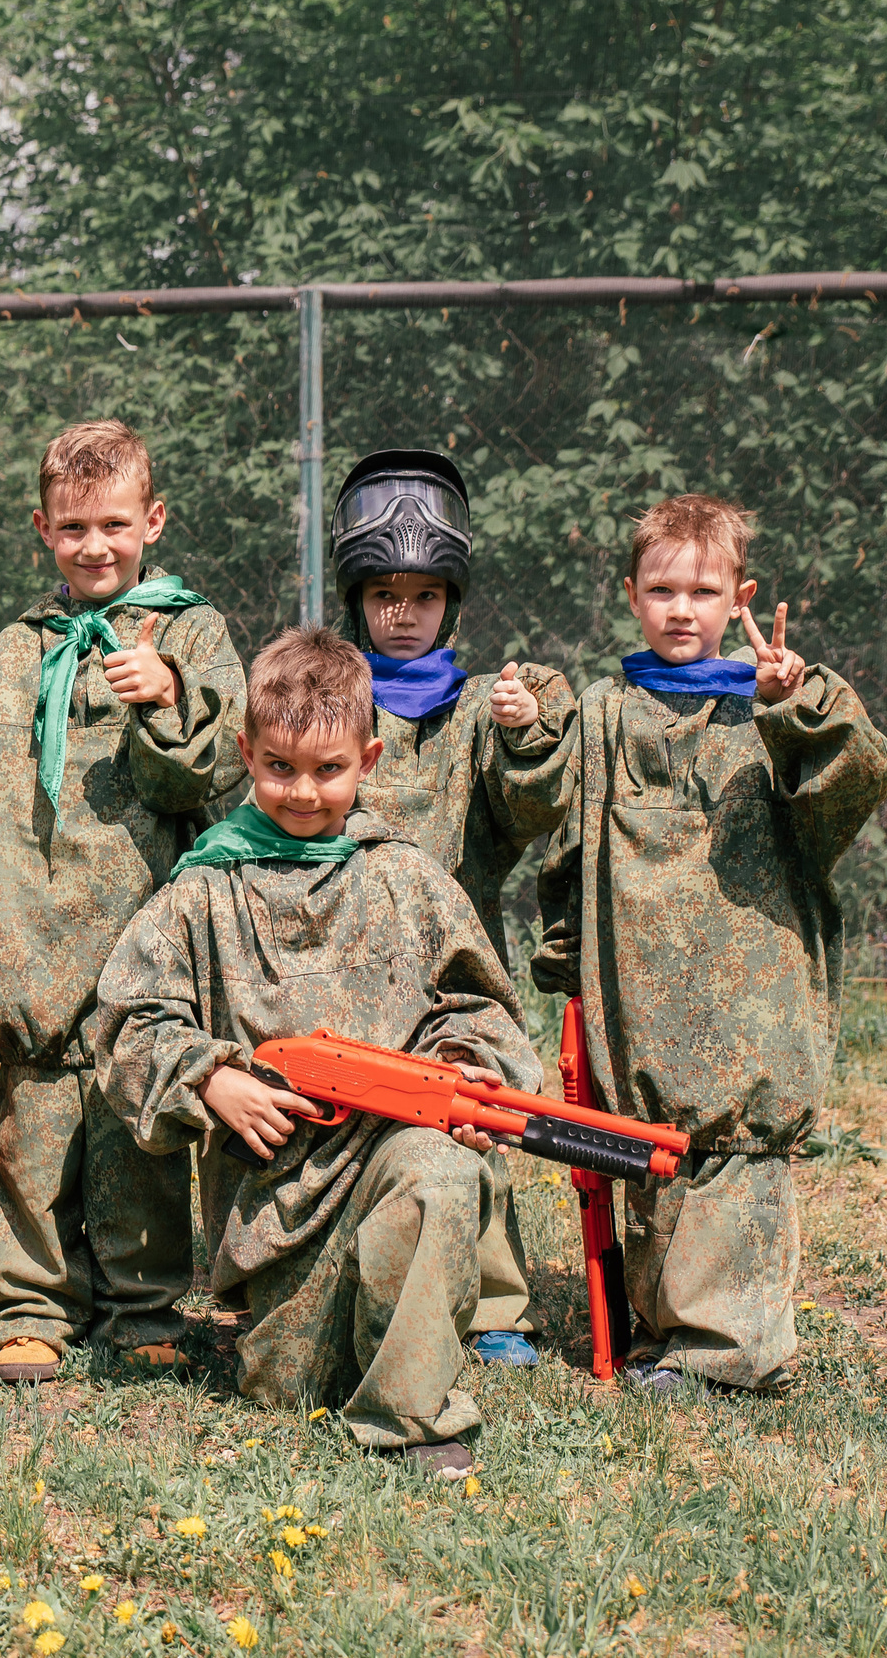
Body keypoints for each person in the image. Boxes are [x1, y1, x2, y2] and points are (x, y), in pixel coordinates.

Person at [93, 626, 537, 1479]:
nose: (304, 791)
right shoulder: (205, 889)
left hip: (389, 1166)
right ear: (245, 752)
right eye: (280, 767)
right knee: (289, 1388)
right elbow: (125, 1020)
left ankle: (414, 1419)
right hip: (275, 1223)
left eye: (329, 768)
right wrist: (212, 1077)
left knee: (435, 1171)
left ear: (368, 757)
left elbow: (481, 1010)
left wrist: (463, 1074)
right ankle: (369, 1349)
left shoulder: (406, 880)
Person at [533, 494, 887, 1394]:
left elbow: (856, 781)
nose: (683, 608)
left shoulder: (770, 703)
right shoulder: (605, 710)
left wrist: (801, 706)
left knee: (735, 1148)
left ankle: (730, 1354)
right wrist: (564, 945)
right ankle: (670, 1332)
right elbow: (570, 843)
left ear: (742, 593)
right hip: (640, 983)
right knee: (652, 1151)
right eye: (662, 589)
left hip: (750, 984)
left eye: (705, 589)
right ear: (631, 594)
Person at [0, 420, 243, 1385]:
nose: (95, 545)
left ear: (154, 520)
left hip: (146, 917)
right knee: (34, 1124)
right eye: (73, 527)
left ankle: (142, 1302)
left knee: (136, 1110)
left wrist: (169, 693)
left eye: (114, 524)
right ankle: (31, 1304)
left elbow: (215, 771)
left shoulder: (191, 631)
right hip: (30, 922)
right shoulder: (16, 650)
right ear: (43, 529)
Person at [327, 449, 574, 1370]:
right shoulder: (329, 698)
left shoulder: (480, 707)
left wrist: (525, 737)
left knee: (474, 1117)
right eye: (384, 592)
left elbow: (528, 814)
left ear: (451, 602)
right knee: (359, 1123)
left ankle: (497, 1299)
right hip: (344, 957)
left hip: (453, 968)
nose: (401, 612)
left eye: (423, 594)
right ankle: (363, 1279)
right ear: (355, 596)